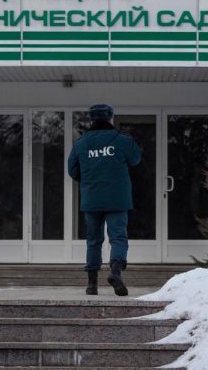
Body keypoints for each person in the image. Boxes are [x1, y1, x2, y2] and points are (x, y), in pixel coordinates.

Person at [67, 104, 142, 296]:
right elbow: (136, 159)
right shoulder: (122, 140)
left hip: (91, 199)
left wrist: (89, 180)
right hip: (117, 199)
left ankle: (92, 284)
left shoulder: (81, 143)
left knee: (93, 240)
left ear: (92, 120)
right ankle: (115, 271)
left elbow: (72, 170)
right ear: (110, 118)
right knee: (118, 237)